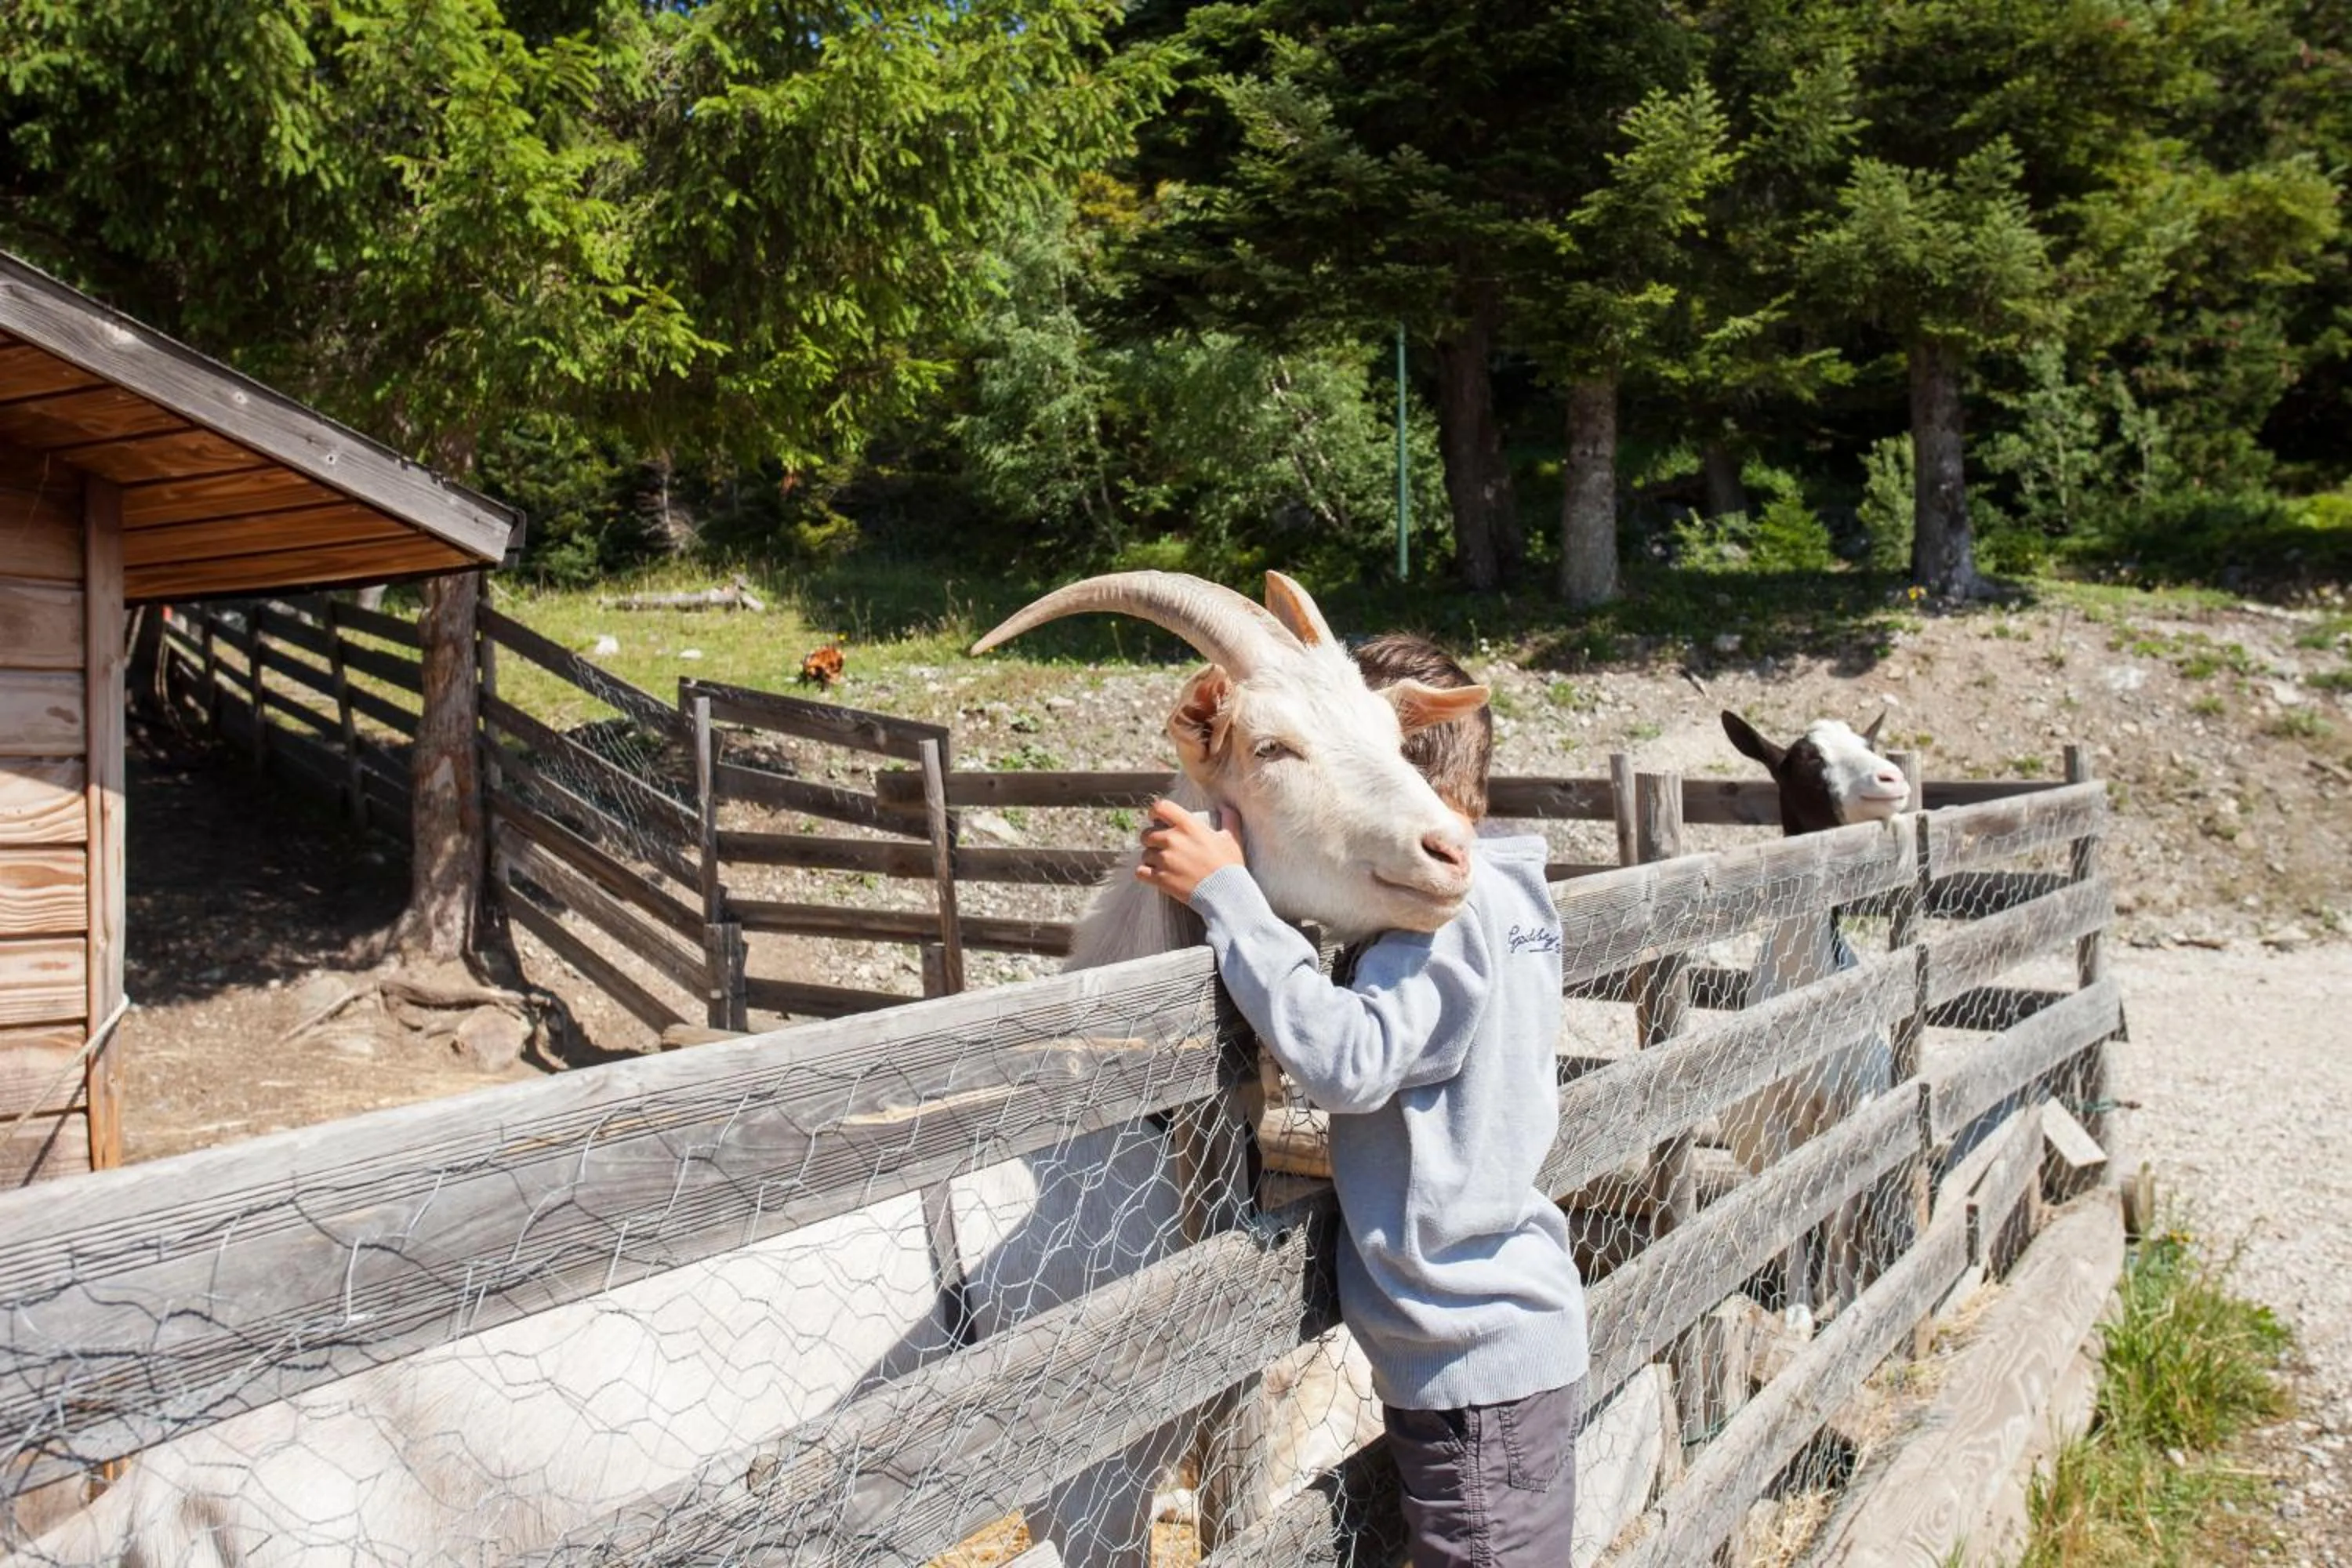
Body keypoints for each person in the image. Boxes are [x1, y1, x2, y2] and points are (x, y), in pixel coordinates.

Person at [1137, 632, 1587, 1568]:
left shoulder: (1445, 921)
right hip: (1496, 1344)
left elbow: (1347, 1057)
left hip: (1473, 1360)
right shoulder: (1508, 895)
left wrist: (1229, 898)